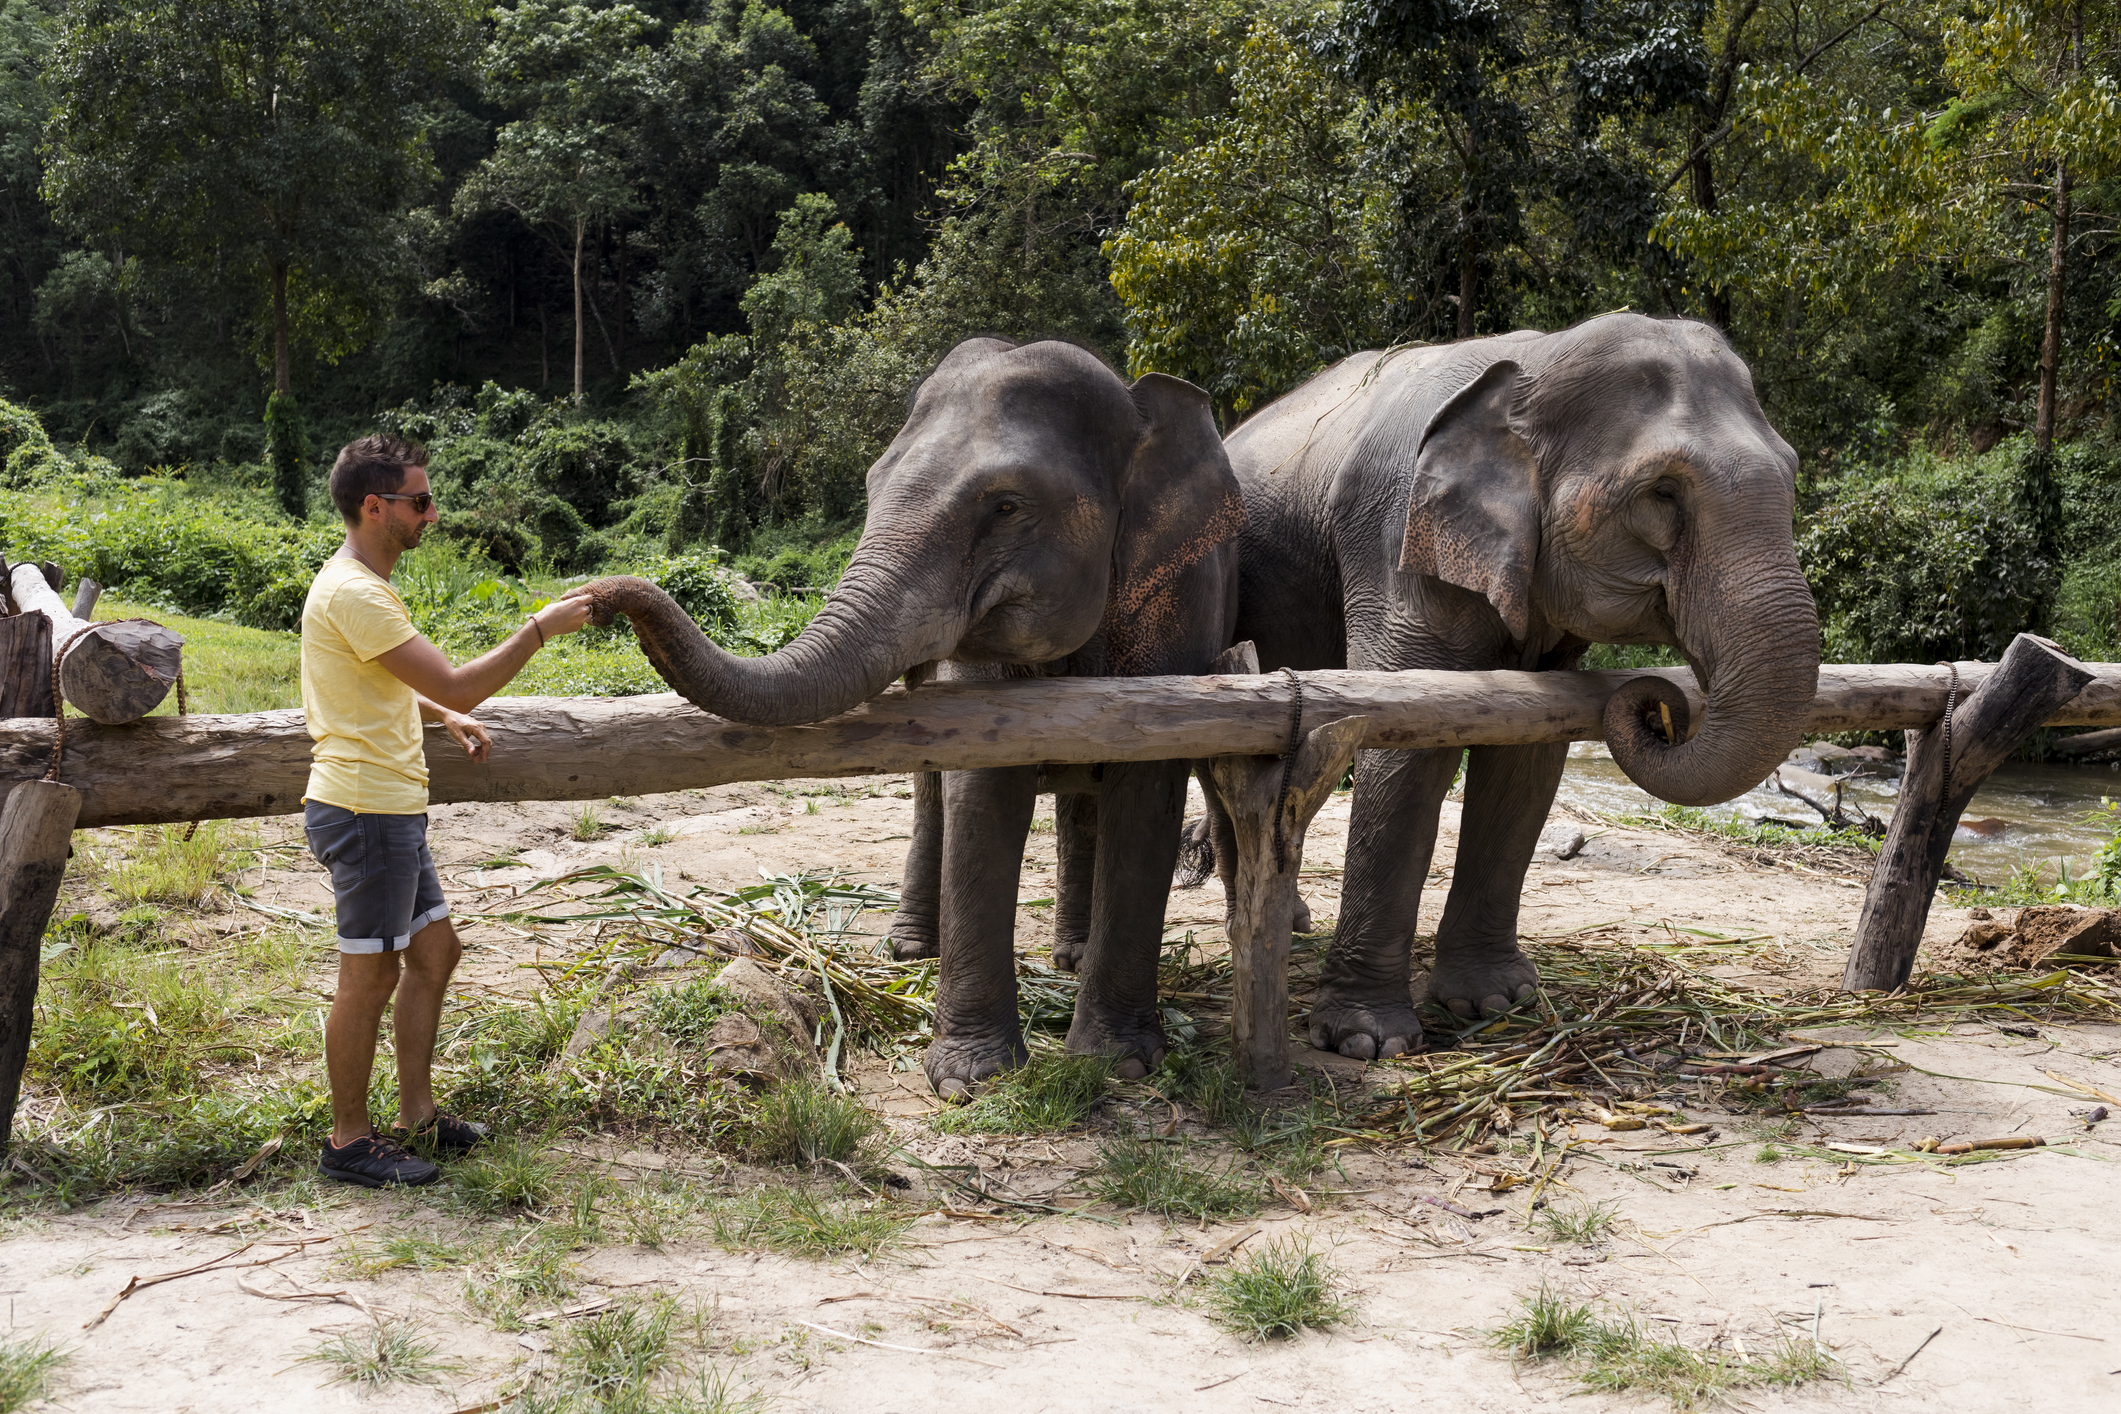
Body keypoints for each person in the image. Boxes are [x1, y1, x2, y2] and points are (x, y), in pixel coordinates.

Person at [301, 435, 592, 1187]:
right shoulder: (356, 591)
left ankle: (417, 1116)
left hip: (388, 808)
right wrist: (538, 628)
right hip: (366, 811)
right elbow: (461, 682)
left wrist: (437, 715)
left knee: (435, 954)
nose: (433, 514)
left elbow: (388, 681)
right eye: (420, 501)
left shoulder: (359, 584)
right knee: (368, 976)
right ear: (375, 507)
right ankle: (348, 1142)